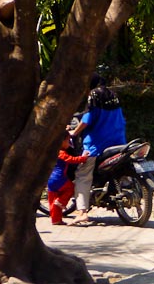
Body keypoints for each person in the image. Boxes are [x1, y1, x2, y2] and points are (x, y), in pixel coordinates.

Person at [68, 74, 127, 224]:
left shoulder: (94, 95)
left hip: (97, 145)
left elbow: (87, 119)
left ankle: (82, 212)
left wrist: (74, 132)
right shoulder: (113, 95)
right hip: (118, 141)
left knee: (83, 174)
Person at [47, 133, 89, 226]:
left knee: (53, 201)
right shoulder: (61, 152)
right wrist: (83, 158)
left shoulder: (52, 152)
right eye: (67, 141)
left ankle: (56, 220)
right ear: (61, 142)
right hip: (59, 178)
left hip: (50, 179)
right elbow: (71, 159)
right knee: (71, 188)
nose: (69, 144)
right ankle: (61, 201)